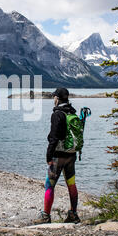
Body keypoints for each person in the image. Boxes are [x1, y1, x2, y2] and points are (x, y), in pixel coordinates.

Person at [33, 88, 81, 224]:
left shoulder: (57, 114)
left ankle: (46, 216)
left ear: (57, 98)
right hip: (71, 155)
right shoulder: (73, 113)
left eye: (54, 96)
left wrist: (48, 156)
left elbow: (53, 137)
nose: (53, 99)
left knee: (49, 184)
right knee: (71, 184)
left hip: (58, 156)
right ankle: (73, 214)